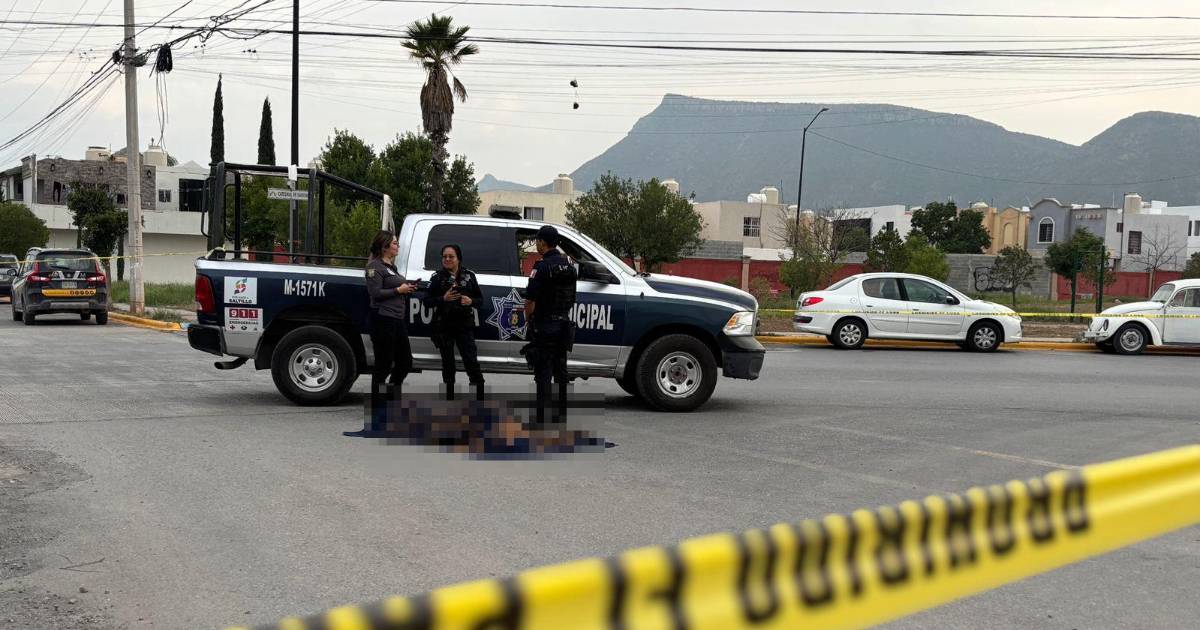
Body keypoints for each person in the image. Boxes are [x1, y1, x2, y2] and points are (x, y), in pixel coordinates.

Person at [346, 230, 417, 437]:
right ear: (385, 246)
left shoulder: (391, 267)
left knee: (405, 362)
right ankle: (374, 424)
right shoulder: (374, 267)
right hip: (382, 319)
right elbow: (375, 294)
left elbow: (394, 288)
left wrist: (407, 288)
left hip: (396, 320)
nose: (397, 246)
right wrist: (398, 291)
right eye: (394, 243)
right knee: (383, 366)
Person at [523, 225, 577, 425]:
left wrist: (529, 320)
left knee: (543, 372)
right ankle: (561, 415)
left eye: (537, 241)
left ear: (542, 242)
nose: (536, 244)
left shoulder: (542, 267)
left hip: (545, 325)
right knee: (561, 371)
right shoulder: (569, 267)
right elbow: (572, 297)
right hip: (563, 325)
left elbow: (530, 300)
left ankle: (541, 418)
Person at [424, 244, 485, 400]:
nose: (447, 259)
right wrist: (442, 299)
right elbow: (426, 301)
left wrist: (470, 301)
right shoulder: (437, 277)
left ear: (459, 258)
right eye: (444, 256)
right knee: (448, 365)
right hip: (444, 325)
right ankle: (449, 398)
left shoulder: (469, 276)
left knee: (471, 362)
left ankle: (479, 398)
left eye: (451, 256)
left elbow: (480, 300)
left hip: (464, 325)